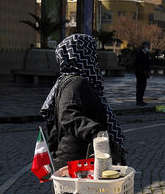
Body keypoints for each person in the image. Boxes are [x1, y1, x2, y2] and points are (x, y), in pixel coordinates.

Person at [41, 34, 126, 170]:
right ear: (82, 54)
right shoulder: (76, 82)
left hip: (78, 160)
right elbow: (68, 115)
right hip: (76, 162)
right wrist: (96, 131)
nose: (96, 57)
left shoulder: (71, 80)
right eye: (92, 52)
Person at [133, 41, 151, 106]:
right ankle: (138, 101)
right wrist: (141, 72)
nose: (149, 47)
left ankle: (141, 100)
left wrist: (148, 72)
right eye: (148, 46)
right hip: (140, 74)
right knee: (140, 87)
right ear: (144, 46)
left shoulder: (146, 54)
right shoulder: (139, 54)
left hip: (145, 73)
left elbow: (147, 64)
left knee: (143, 87)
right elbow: (137, 64)